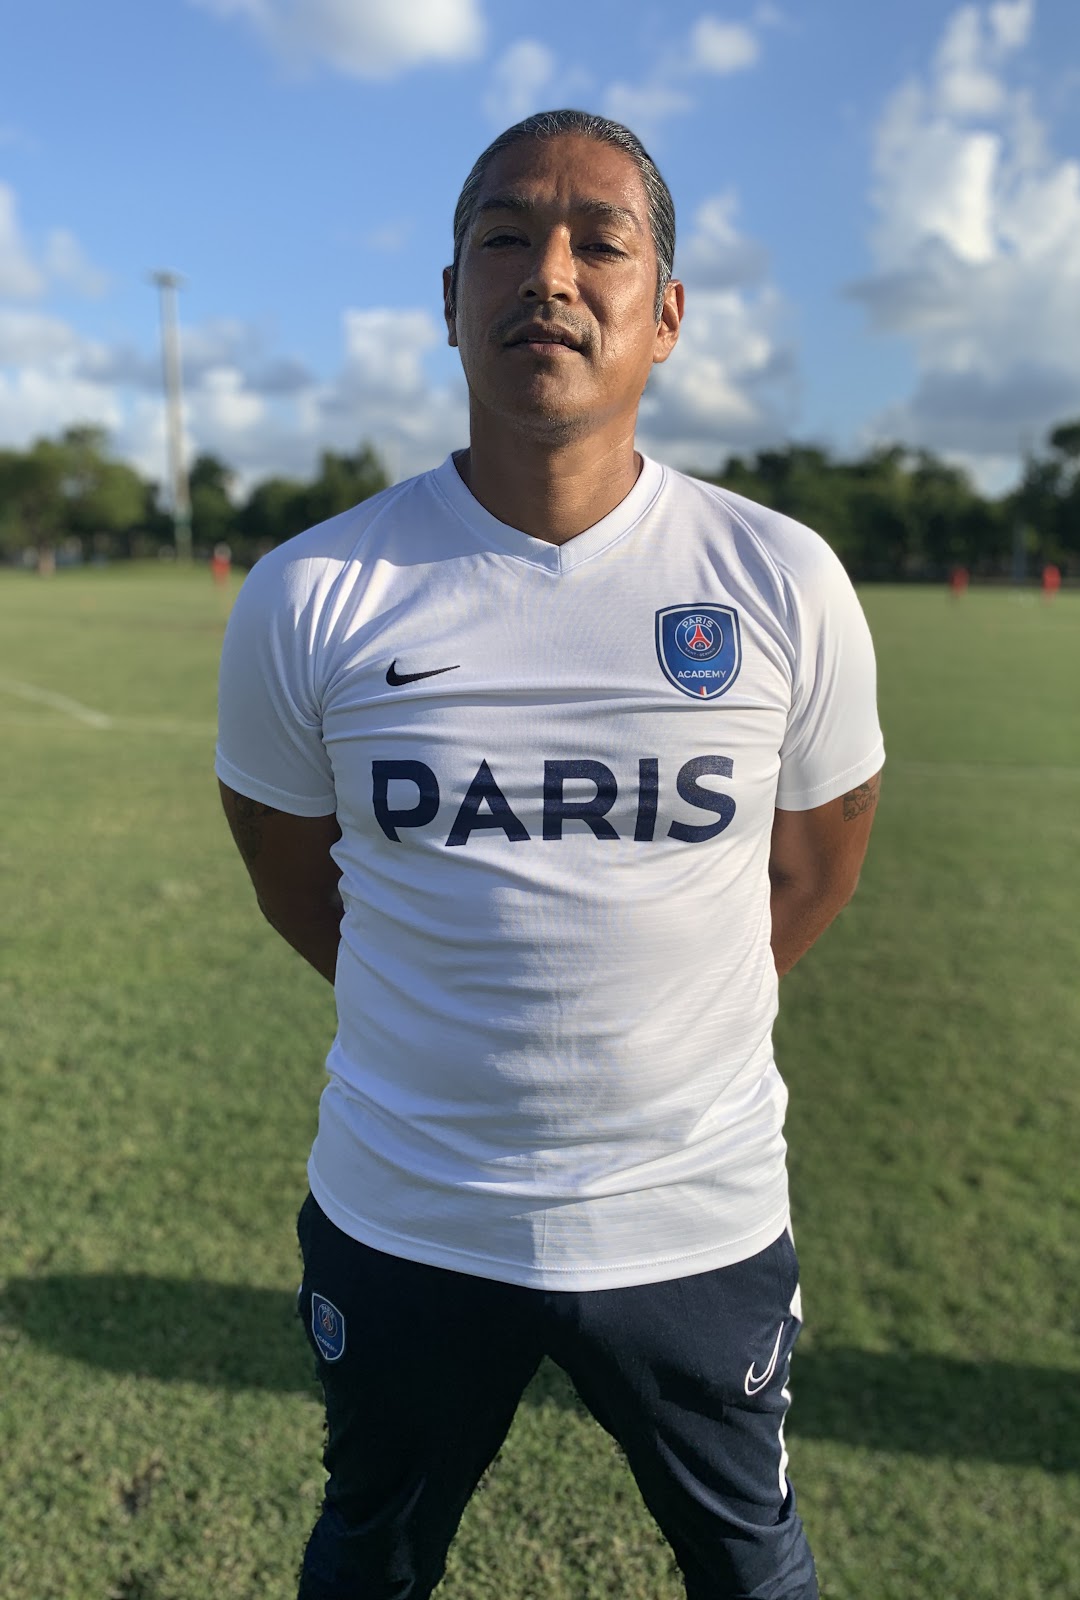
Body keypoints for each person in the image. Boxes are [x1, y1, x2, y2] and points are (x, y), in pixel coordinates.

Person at [216, 109, 884, 1600]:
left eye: (600, 242)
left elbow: (811, 871)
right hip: (408, 1208)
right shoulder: (311, 593)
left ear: (668, 311)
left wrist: (667, 1018)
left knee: (752, 1565)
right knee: (373, 1552)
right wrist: (452, 1003)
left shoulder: (781, 579)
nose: (550, 274)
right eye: (505, 238)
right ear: (450, 298)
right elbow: (291, 872)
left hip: (694, 1212)